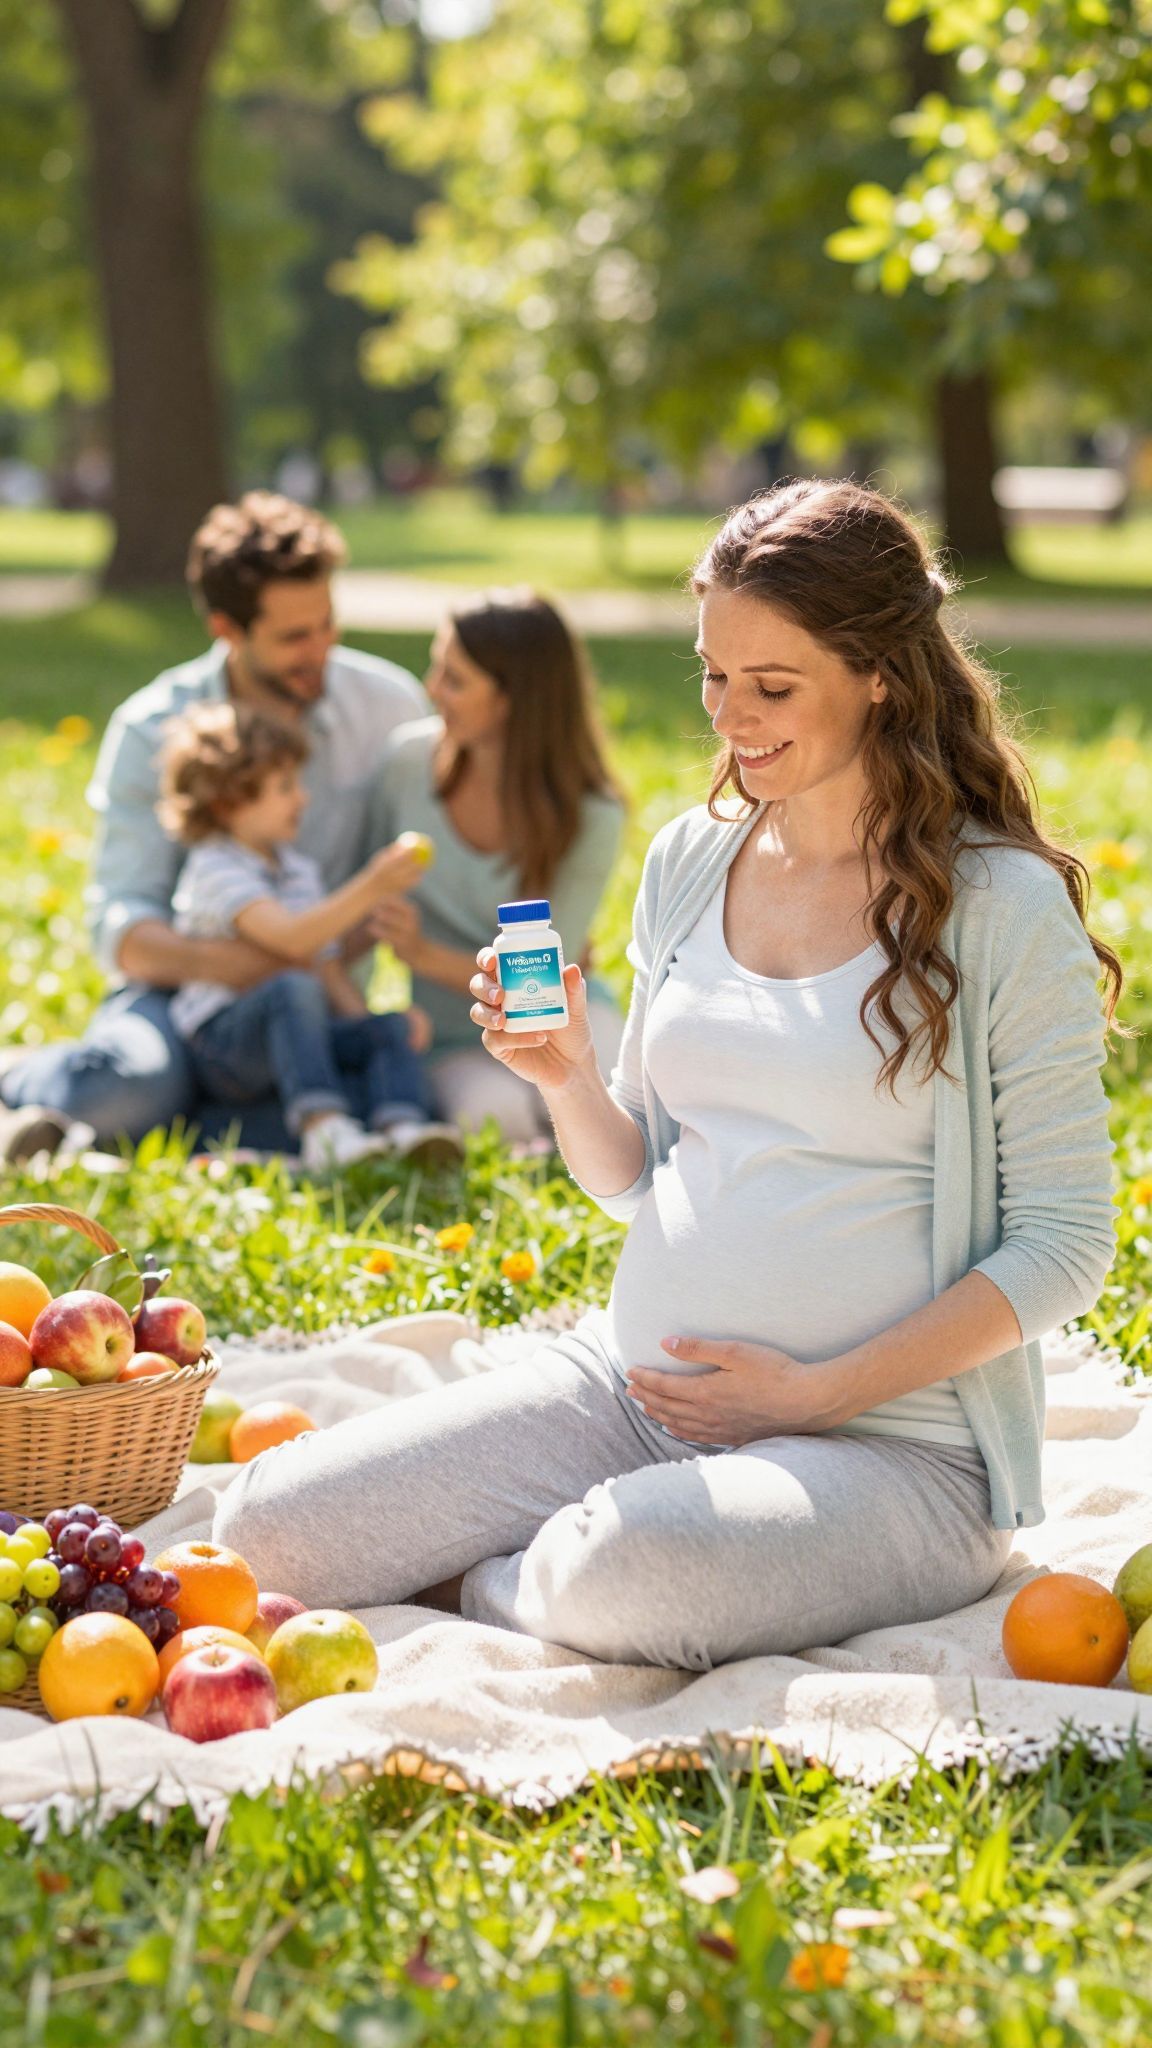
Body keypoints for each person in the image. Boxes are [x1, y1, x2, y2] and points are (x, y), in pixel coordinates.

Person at [214, 480, 1118, 1671]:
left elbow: (1066, 1244)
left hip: (891, 1450)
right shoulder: (692, 860)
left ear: (880, 673)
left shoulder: (1000, 903)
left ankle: (509, 1574)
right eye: (713, 675)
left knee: (633, 1571)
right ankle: (547, 1559)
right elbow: (635, 1171)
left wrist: (811, 1393)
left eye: (772, 685)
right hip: (636, 1392)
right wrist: (566, 1076)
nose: (731, 717)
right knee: (271, 1527)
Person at [0, 492, 427, 1157]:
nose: (321, 649)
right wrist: (275, 962)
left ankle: (185, 1124)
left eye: (327, 624)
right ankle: (23, 1079)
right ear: (227, 628)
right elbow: (127, 931)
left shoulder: (390, 707)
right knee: (132, 1087)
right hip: (177, 1002)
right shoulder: (151, 729)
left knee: (391, 1089)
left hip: (306, 1009)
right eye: (294, 637)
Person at [362, 589, 627, 1143]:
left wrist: (420, 954)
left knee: (616, 1106)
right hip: (455, 1036)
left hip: (560, 1021)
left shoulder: (592, 813)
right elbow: (364, 894)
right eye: (437, 668)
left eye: (454, 679)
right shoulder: (406, 764)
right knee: (498, 1120)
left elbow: (541, 982)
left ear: (512, 700)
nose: (432, 689)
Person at [159, 702, 463, 1170]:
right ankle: (323, 1128)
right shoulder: (214, 868)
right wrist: (373, 885)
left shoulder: (298, 870)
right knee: (291, 986)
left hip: (298, 1039)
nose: (301, 799)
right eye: (285, 787)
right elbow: (292, 941)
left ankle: (403, 1129)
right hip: (223, 1045)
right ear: (228, 803)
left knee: (385, 1026)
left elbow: (325, 964)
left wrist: (376, 1031)